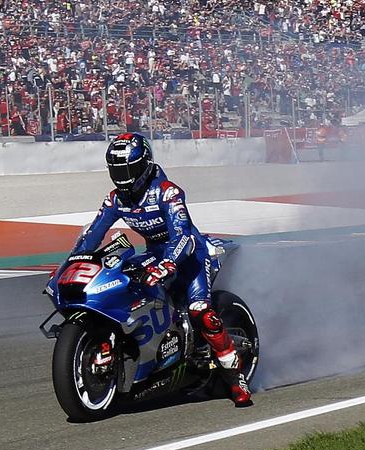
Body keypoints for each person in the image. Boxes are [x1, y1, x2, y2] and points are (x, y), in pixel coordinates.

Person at [68, 132, 251, 406]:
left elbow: (182, 235)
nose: (122, 176)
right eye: (116, 170)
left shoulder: (168, 193)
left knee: (200, 311)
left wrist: (168, 264)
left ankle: (235, 377)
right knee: (124, 281)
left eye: (127, 169)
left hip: (189, 255)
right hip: (154, 253)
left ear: (143, 165)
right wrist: (75, 259)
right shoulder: (117, 199)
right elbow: (95, 233)